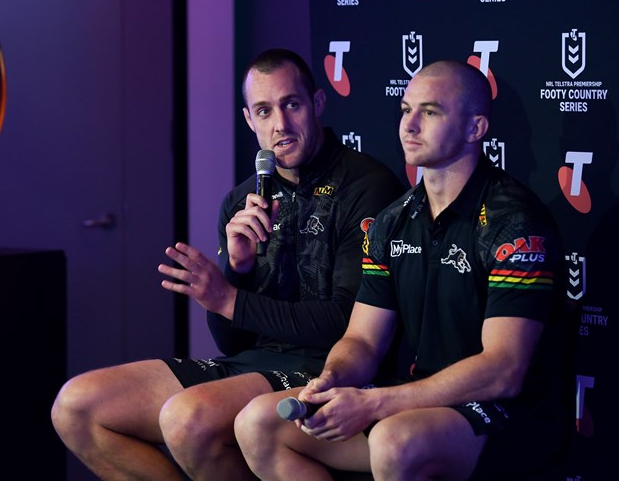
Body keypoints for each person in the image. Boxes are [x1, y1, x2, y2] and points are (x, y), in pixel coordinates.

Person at [50, 48, 404, 480]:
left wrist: (229, 297)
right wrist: (237, 269)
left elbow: (346, 325)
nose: (281, 125)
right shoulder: (241, 201)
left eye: (291, 105)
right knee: (77, 407)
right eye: (264, 110)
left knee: (187, 420)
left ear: (317, 104)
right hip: (253, 363)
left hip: (326, 369)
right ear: (248, 120)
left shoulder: (368, 186)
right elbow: (231, 344)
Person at [234, 60, 570, 481]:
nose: (409, 125)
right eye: (405, 110)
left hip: (508, 412)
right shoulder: (392, 221)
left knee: (394, 440)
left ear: (475, 128)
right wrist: (332, 379)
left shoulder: (513, 222)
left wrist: (377, 403)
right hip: (418, 401)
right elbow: (361, 339)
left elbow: (504, 369)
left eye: (430, 112)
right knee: (259, 424)